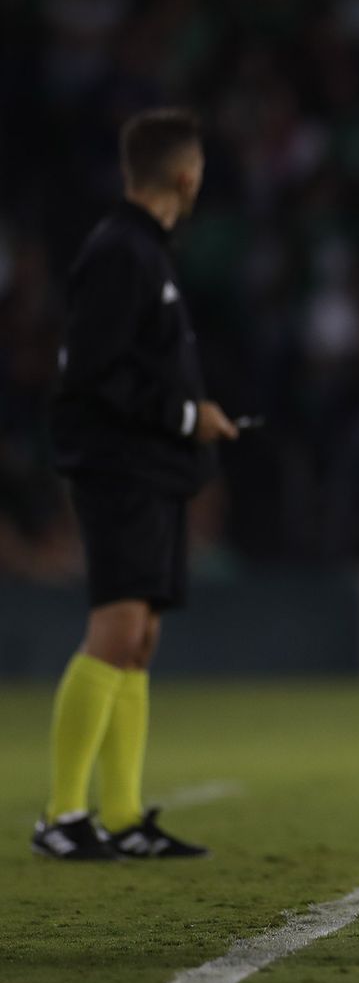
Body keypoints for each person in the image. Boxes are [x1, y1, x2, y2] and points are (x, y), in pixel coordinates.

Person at [34, 107, 238, 860]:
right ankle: (61, 815)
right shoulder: (123, 251)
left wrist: (191, 418)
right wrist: (188, 412)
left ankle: (119, 816)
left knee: (140, 637)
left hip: (146, 466)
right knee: (116, 628)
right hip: (118, 465)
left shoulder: (141, 249)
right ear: (185, 176)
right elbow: (90, 373)